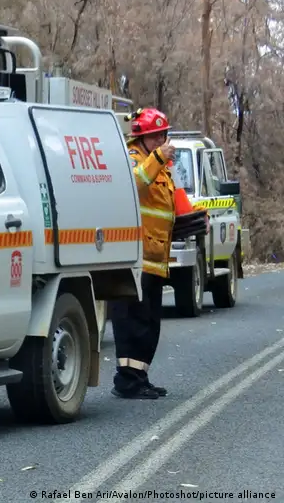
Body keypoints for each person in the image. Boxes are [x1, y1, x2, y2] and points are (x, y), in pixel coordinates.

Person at [111, 107, 178, 399]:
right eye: (157, 135)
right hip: (136, 257)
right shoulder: (135, 159)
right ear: (143, 137)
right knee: (133, 321)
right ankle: (126, 381)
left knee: (149, 323)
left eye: (164, 134)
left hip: (155, 259)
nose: (163, 139)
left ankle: (140, 377)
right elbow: (135, 183)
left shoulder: (157, 164)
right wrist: (159, 157)